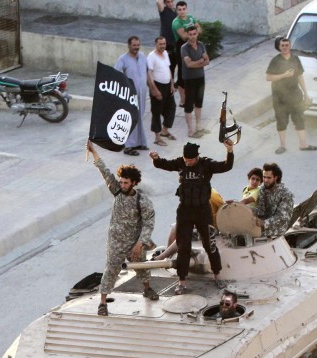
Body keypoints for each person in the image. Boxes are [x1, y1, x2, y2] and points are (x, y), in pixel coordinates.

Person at [150, 140, 233, 293]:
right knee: (183, 246)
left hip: (203, 211)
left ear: (197, 157)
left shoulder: (206, 164)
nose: (188, 163)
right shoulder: (181, 163)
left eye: (191, 160)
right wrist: (155, 159)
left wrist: (229, 150)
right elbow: (165, 164)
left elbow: (226, 166)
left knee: (210, 244)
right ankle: (181, 281)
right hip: (185, 211)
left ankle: (217, 276)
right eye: (186, 160)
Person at [87, 141, 158, 317]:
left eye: (126, 182)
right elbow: (104, 171)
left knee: (141, 267)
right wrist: (94, 151)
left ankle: (147, 289)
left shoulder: (142, 201)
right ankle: (103, 303)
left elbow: (149, 222)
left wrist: (141, 243)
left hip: (134, 242)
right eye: (121, 181)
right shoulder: (117, 190)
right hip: (116, 242)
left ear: (134, 182)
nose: (122, 184)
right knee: (111, 269)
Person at [266, 38, 317, 154]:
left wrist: (306, 93)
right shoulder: (275, 60)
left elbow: (300, 76)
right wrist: (284, 75)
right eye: (282, 45)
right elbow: (268, 77)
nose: (285, 47)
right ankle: (282, 146)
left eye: (287, 45)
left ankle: (303, 144)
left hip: (295, 94)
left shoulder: (295, 59)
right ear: (279, 47)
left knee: (299, 119)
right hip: (279, 97)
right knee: (281, 120)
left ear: (290, 46)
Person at [115, 36, 150, 156]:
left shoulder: (143, 57)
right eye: (134, 45)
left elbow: (147, 74)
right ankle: (128, 146)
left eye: (138, 45)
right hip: (129, 94)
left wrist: (154, 89)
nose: (136, 47)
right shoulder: (122, 59)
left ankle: (139, 142)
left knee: (139, 117)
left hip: (142, 93)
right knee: (130, 119)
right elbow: (117, 76)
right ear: (129, 46)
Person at [181, 25, 210, 138]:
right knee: (189, 105)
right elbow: (189, 64)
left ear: (197, 34)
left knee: (199, 103)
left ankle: (199, 126)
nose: (193, 36)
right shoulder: (184, 48)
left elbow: (207, 61)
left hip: (200, 78)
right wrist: (200, 61)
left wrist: (196, 63)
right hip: (189, 79)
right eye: (190, 34)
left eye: (195, 34)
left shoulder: (201, 45)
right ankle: (190, 130)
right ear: (187, 35)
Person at [147, 36, 177, 147]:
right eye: (160, 44)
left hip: (167, 85)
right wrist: (155, 90)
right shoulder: (151, 56)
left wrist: (172, 84)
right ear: (156, 44)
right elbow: (149, 74)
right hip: (157, 86)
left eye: (164, 44)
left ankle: (165, 131)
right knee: (156, 112)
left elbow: (169, 69)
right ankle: (157, 137)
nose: (163, 46)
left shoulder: (165, 54)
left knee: (171, 108)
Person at [171, 1, 201, 108]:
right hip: (181, 48)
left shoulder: (191, 18)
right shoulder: (176, 22)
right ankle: (183, 101)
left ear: (186, 9)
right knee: (182, 74)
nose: (182, 11)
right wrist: (194, 33)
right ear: (176, 10)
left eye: (184, 9)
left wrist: (192, 35)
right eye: (179, 9)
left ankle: (191, 97)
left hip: (192, 46)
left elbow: (200, 29)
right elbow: (184, 37)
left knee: (193, 71)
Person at [254, 162, 295, 237]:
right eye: (264, 177)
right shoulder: (263, 189)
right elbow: (260, 211)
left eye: (269, 178)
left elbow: (282, 218)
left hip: (277, 230)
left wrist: (264, 223)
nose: (265, 180)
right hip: (262, 226)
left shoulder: (286, 194)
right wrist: (242, 208)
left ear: (276, 177)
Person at [156, 0, 178, 79]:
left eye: (172, 1)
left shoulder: (176, 11)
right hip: (166, 44)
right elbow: (158, 2)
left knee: (173, 65)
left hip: (175, 43)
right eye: (168, 2)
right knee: (166, 66)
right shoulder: (164, 10)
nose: (171, 3)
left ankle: (172, 85)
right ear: (165, 3)